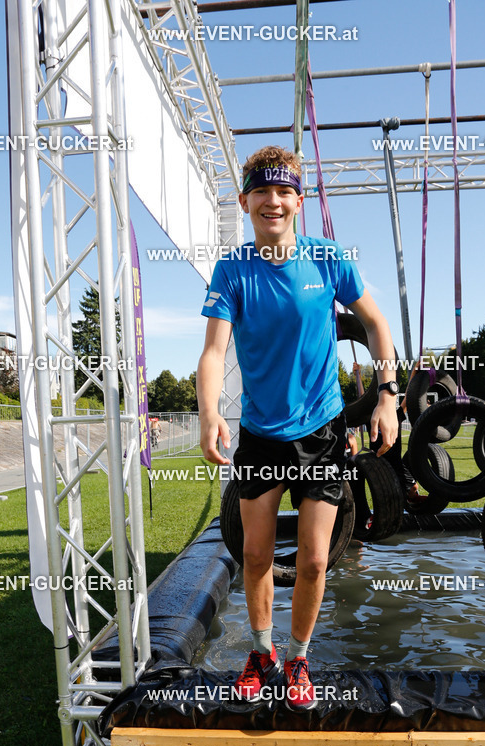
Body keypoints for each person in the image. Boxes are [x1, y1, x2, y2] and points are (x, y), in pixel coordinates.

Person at [197, 145, 398, 711]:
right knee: (256, 557)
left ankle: (298, 658)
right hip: (261, 435)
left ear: (299, 201)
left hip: (325, 435)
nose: (274, 201)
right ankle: (260, 654)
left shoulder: (330, 259)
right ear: (245, 201)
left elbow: (377, 325)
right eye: (262, 191)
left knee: (313, 560)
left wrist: (387, 397)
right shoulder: (232, 269)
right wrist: (211, 411)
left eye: (285, 191)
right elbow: (214, 352)